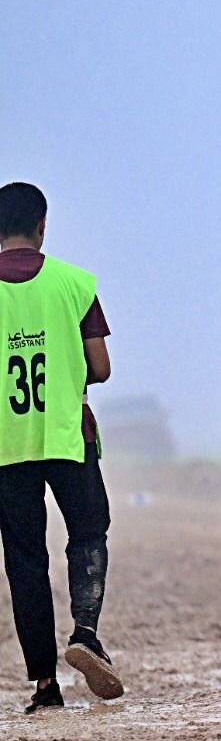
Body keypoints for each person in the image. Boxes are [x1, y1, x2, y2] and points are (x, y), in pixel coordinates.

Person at [0, 182, 123, 713]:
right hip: (69, 434)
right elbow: (101, 367)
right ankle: (86, 633)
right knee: (88, 530)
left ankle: (45, 687)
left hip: (6, 445)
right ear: (42, 225)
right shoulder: (75, 284)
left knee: (24, 556)